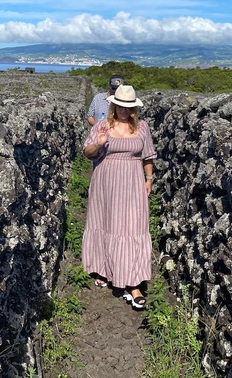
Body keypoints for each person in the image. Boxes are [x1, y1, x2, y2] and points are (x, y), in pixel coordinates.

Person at [82, 84, 156, 310]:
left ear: (134, 109)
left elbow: (148, 155)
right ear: (114, 106)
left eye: (128, 107)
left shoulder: (142, 127)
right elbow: (87, 153)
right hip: (106, 181)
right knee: (106, 223)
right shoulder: (103, 126)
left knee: (133, 227)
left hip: (133, 181)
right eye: (120, 106)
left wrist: (149, 179)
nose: (124, 111)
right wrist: (99, 143)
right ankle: (105, 268)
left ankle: (133, 284)